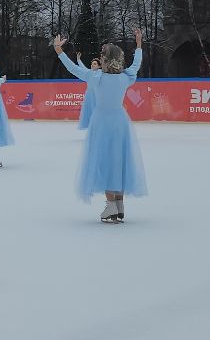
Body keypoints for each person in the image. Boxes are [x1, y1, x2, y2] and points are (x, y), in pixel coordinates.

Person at [54, 29, 146, 223]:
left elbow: (73, 69)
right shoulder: (125, 77)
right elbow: (136, 65)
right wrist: (138, 45)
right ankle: (119, 204)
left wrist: (59, 51)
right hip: (120, 122)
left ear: (105, 60)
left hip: (102, 123)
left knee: (104, 161)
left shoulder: (97, 78)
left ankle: (111, 204)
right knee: (119, 160)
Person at [77, 56, 102, 130]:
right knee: (89, 110)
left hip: (97, 94)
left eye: (95, 64)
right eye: (92, 64)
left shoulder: (101, 73)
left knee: (97, 110)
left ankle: (98, 125)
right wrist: (78, 60)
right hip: (89, 94)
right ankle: (91, 125)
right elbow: (83, 68)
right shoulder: (88, 72)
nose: (92, 65)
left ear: (99, 66)